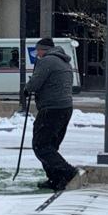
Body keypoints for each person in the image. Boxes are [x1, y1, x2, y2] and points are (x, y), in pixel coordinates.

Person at [25, 37, 77, 191]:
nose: (37, 54)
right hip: (65, 108)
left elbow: (35, 83)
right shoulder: (64, 61)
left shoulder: (47, 61)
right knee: (51, 146)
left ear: (42, 49)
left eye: (37, 51)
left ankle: (68, 172)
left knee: (40, 145)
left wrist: (27, 89)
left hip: (51, 109)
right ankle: (55, 179)